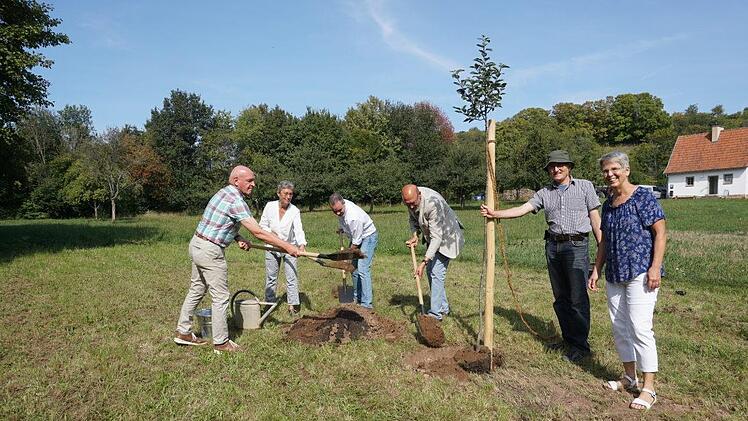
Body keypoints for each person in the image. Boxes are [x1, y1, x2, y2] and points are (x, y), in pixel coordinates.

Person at [480, 150, 602, 362]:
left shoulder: (585, 186)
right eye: (552, 166)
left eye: (560, 165)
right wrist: (496, 213)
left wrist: (603, 247)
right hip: (553, 247)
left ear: (569, 167)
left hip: (576, 246)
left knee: (577, 298)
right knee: (560, 298)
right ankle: (568, 339)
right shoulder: (544, 193)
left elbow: (595, 219)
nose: (556, 169)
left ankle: (581, 347)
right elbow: (523, 209)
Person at [174, 166, 300, 354]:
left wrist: (238, 237)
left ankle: (183, 332)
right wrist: (287, 246)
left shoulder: (223, 194)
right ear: (236, 181)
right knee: (221, 297)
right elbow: (258, 231)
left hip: (197, 245)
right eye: (249, 181)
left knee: (197, 289)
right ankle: (221, 343)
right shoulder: (236, 200)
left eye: (253, 180)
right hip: (211, 252)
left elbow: (218, 222)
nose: (253, 184)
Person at [588, 151, 666, 410]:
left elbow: (660, 233)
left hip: (641, 271)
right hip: (615, 274)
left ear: (626, 170)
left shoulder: (642, 197)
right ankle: (629, 378)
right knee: (619, 327)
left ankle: (649, 389)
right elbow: (605, 241)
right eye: (605, 171)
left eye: (614, 169)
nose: (609, 174)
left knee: (640, 327)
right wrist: (597, 269)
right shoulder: (609, 204)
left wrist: (655, 267)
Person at [402, 184, 464, 320]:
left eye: (412, 203)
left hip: (448, 238)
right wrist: (415, 235)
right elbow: (413, 219)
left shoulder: (432, 204)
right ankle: (443, 307)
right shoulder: (411, 200)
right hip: (433, 236)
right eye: (408, 204)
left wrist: (423, 262)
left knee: (436, 273)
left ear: (419, 195)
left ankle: (435, 314)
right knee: (431, 272)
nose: (411, 207)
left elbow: (437, 237)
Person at [259, 181, 307, 315]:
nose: (288, 196)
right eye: (285, 193)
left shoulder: (294, 211)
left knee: (291, 277)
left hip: (289, 248)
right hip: (272, 247)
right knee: (271, 277)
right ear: (278, 193)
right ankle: (269, 304)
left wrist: (301, 245)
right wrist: (271, 234)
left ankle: (293, 305)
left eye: (291, 194)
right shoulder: (269, 206)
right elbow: (262, 225)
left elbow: (298, 229)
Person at [329, 193, 378, 309]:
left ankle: (367, 305)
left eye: (339, 210)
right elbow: (345, 223)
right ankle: (357, 298)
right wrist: (343, 229)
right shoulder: (341, 207)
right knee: (353, 269)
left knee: (363, 268)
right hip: (357, 237)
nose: (337, 213)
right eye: (334, 211)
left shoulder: (353, 217)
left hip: (368, 237)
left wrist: (346, 255)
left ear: (343, 203)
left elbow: (356, 242)